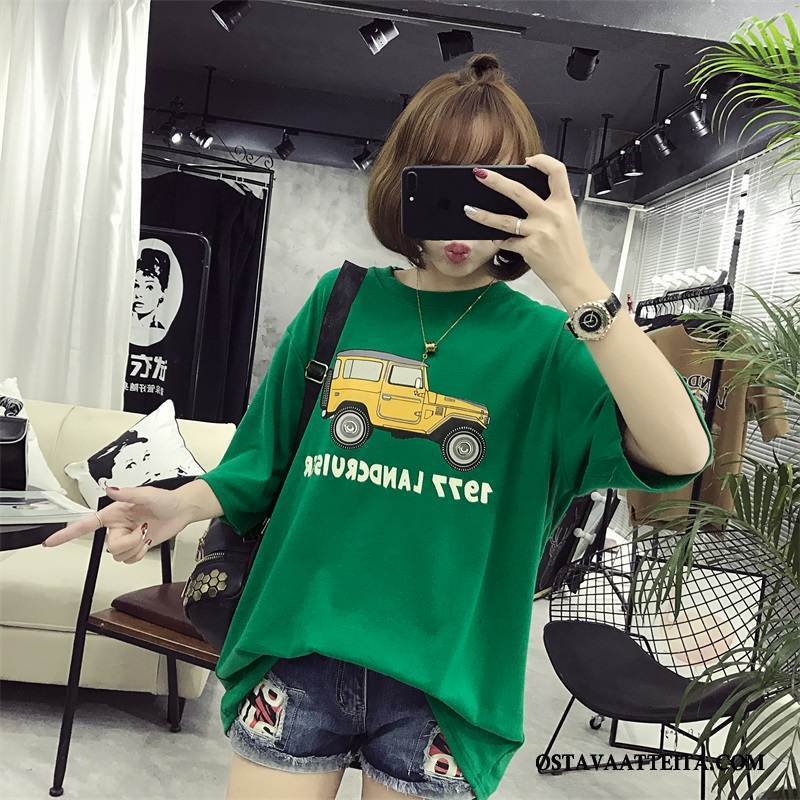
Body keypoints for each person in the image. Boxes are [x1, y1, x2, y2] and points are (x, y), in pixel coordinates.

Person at [42, 53, 713, 800]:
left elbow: (683, 454)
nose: (463, 220)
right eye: (441, 185)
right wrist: (180, 504)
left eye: (487, 190)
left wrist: (579, 282)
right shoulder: (341, 300)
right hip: (299, 653)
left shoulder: (550, 347)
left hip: (444, 686)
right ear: (402, 183)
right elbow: (261, 462)